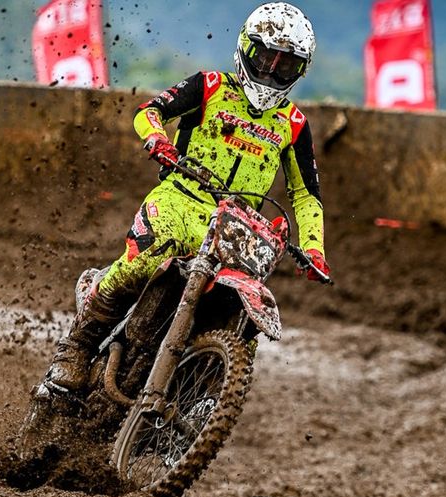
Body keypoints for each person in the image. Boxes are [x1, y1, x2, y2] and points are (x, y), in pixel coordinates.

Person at [45, 2, 331, 392]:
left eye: (286, 65)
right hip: (181, 199)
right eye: (265, 57)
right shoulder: (210, 85)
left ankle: (201, 397)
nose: (270, 71)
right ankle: (76, 347)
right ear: (246, 49)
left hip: (237, 228)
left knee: (240, 320)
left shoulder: (293, 124)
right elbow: (149, 111)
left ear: (299, 71)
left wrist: (314, 248)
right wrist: (157, 139)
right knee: (141, 262)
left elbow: (306, 195)